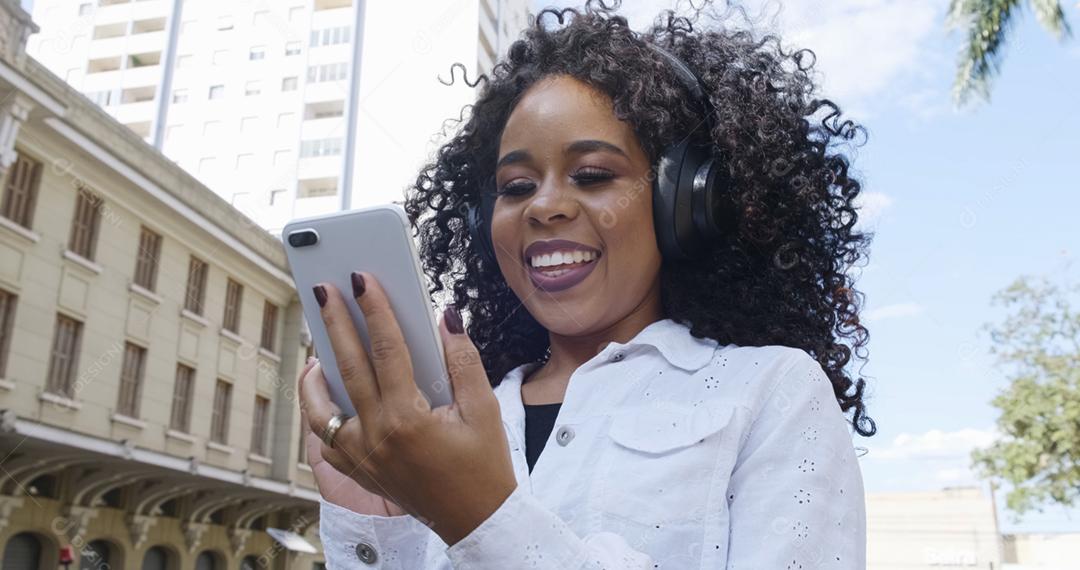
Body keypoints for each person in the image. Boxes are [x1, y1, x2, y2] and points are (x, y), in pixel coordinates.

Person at [297, 1, 875, 567]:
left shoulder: (771, 391)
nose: (543, 205)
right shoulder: (447, 423)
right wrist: (380, 526)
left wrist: (483, 517)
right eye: (516, 186)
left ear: (685, 202)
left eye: (593, 175)